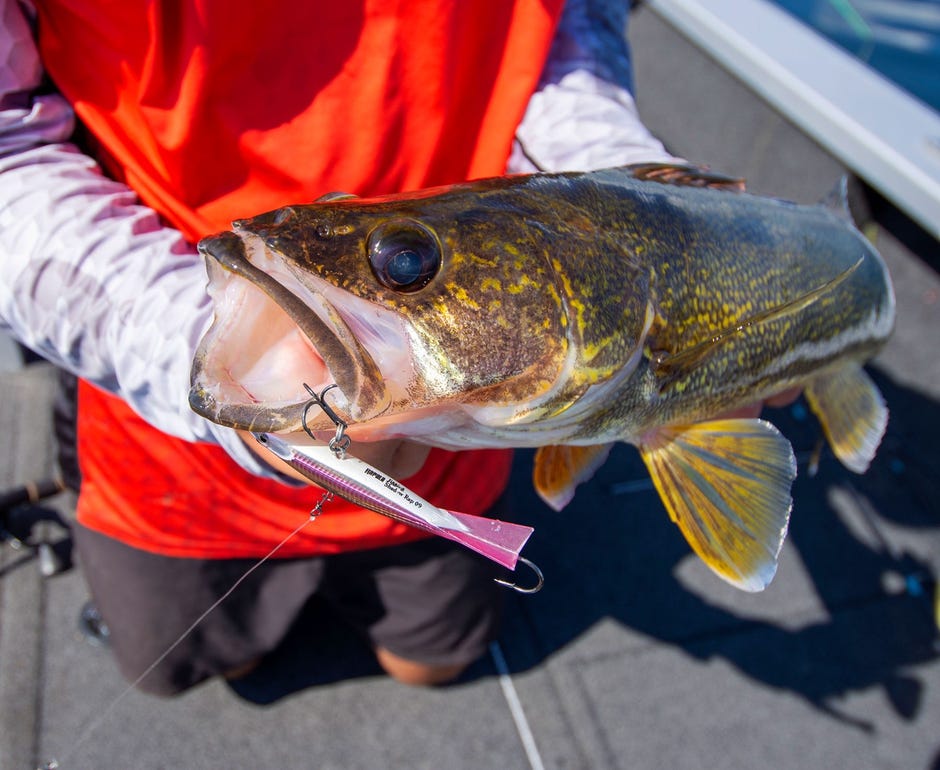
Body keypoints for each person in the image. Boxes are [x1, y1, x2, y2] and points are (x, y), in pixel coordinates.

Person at [0, 0, 791, 694]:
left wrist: (628, 194)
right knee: (189, 666)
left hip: (459, 431)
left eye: (407, 267)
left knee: (432, 663)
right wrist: (180, 341)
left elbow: (564, 27)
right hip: (170, 452)